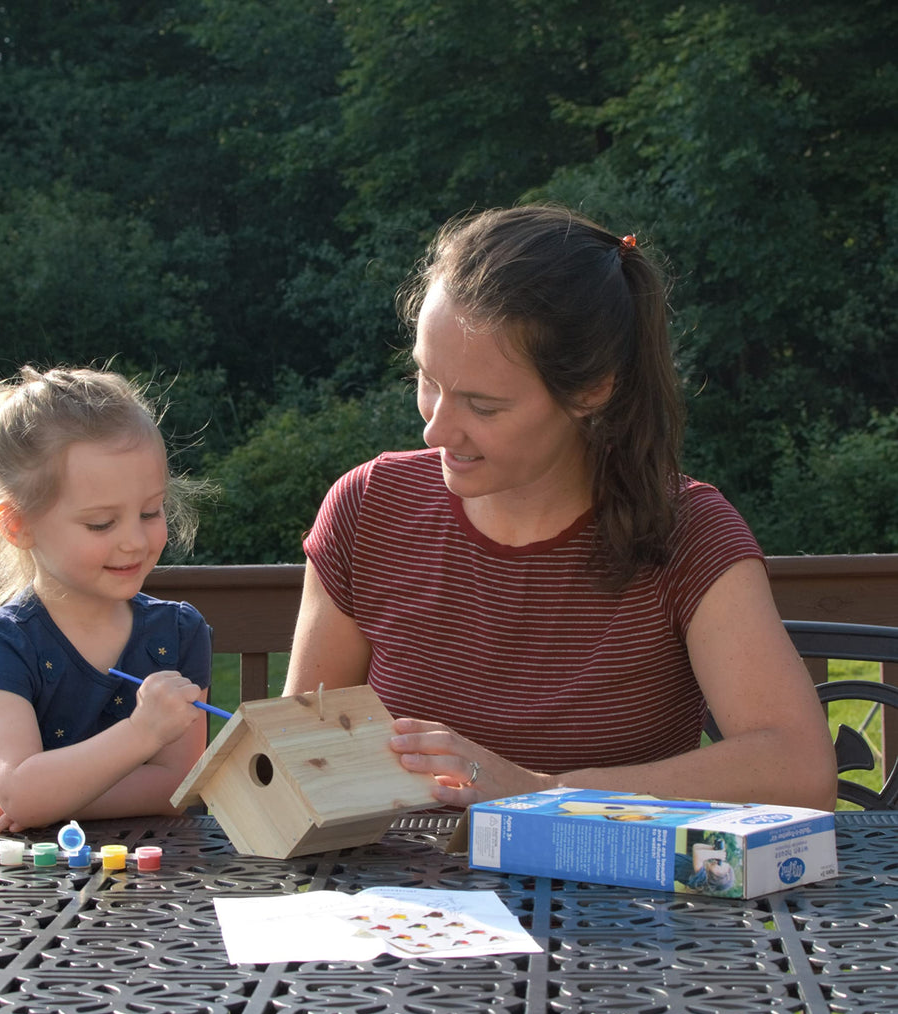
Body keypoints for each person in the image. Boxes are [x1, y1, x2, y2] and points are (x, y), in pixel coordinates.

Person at [284, 203, 836, 812]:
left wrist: (542, 793)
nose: (435, 431)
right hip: (400, 906)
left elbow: (799, 768)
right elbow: (297, 752)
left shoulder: (689, 531)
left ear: (592, 391)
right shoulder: (370, 508)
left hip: (621, 905)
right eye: (428, 382)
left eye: (483, 406)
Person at [0, 365, 211, 834]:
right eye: (101, 524)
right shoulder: (3, 643)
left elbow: (177, 787)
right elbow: (17, 788)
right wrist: (143, 733)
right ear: (18, 524)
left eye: (150, 511)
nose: (135, 542)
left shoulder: (177, 633)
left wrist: (51, 802)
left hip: (141, 879)